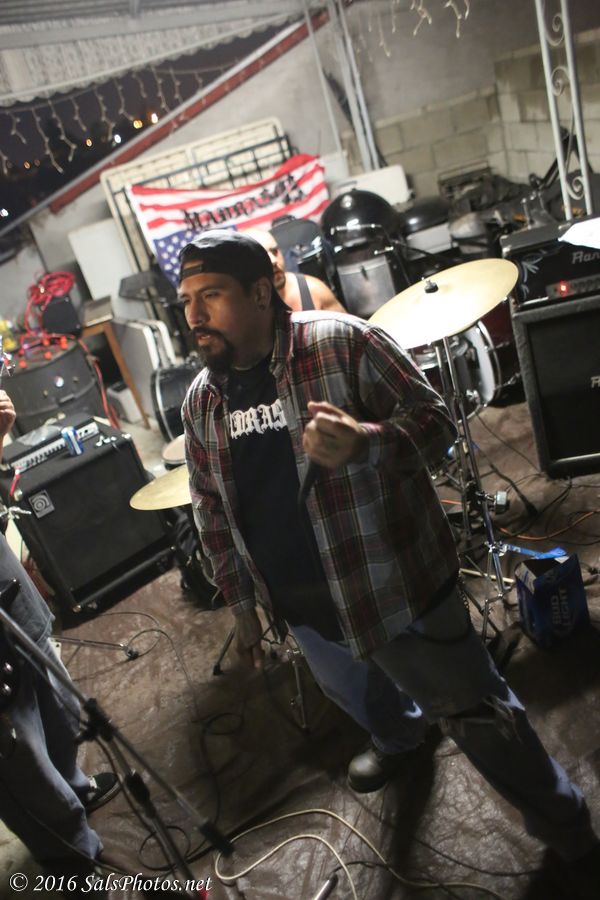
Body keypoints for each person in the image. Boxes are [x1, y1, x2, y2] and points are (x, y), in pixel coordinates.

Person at [179, 230, 599, 897]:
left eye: (211, 295)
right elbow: (210, 505)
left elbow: (436, 423)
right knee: (360, 696)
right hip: (305, 612)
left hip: (391, 588)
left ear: (260, 293)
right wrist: (242, 602)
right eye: (186, 301)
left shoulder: (341, 343)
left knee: (484, 721)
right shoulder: (202, 401)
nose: (195, 315)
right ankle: (404, 739)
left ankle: (569, 830)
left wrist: (366, 443)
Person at [0, 390, 119, 893]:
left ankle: (75, 787)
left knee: (49, 691)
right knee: (15, 744)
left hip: (8, 594)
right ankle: (69, 855)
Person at [244, 227, 346, 313]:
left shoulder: (314, 291)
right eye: (262, 256)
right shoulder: (242, 309)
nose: (274, 260)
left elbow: (347, 330)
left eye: (274, 251)